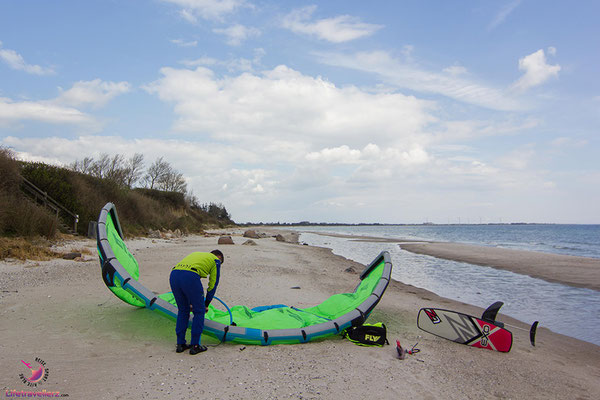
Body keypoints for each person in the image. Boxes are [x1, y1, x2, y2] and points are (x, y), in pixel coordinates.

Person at [169, 249, 224, 355]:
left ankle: (180, 344)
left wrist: (191, 302)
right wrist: (206, 304)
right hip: (190, 277)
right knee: (199, 312)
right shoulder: (216, 260)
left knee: (183, 310)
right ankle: (195, 345)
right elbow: (213, 284)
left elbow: (184, 274)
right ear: (219, 258)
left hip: (174, 275)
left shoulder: (196, 254)